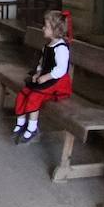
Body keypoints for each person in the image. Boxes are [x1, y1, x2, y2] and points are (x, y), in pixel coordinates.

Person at [12, 11, 74, 144]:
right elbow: (42, 63)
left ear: (55, 30)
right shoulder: (47, 46)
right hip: (44, 77)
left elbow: (61, 70)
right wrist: (38, 73)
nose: (43, 28)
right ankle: (21, 122)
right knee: (23, 93)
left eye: (46, 26)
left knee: (34, 97)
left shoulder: (61, 48)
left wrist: (46, 77)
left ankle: (32, 128)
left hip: (56, 82)